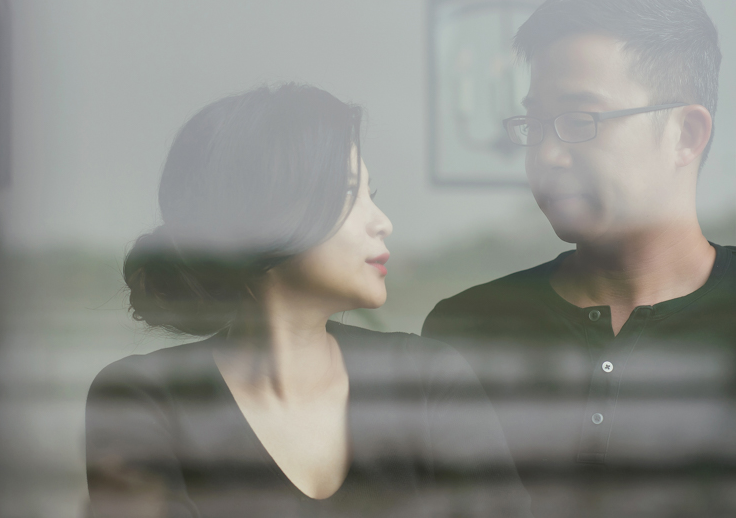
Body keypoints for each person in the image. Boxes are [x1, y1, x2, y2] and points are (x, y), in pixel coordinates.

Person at [86, 84, 530, 518]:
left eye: (370, 195)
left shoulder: (427, 377)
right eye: (348, 193)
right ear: (263, 216)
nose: (383, 222)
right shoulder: (143, 397)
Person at [422, 0, 736, 517]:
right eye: (536, 123)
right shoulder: (465, 328)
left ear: (685, 135)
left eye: (579, 120)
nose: (547, 155)